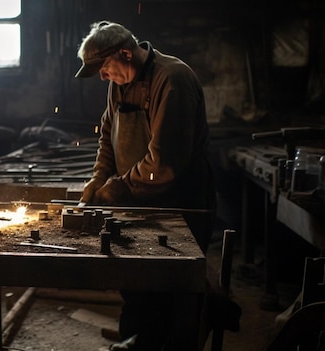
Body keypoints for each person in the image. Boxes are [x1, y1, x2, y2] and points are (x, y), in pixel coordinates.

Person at [75, 21, 217, 351]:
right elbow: (107, 139)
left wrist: (118, 188)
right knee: (137, 284)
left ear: (126, 53)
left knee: (174, 292)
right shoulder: (119, 82)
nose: (102, 76)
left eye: (105, 67)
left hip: (182, 202)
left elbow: (164, 164)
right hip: (138, 202)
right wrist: (98, 178)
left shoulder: (173, 79)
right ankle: (137, 341)